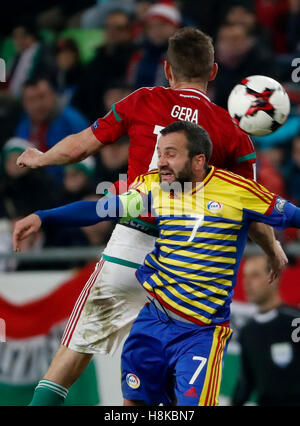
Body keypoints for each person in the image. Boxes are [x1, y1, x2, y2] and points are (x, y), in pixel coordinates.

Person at [15, 27, 287, 406]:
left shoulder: (142, 100)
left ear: (167, 69)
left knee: (75, 352)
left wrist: (42, 157)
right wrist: (272, 249)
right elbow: (253, 210)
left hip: (131, 239)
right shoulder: (232, 131)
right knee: (180, 380)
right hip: (189, 259)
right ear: (213, 72)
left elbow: (81, 146)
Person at [232, 254, 300, 406]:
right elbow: (246, 382)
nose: (247, 282)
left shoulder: (295, 322)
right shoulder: (248, 331)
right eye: (245, 275)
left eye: (255, 275)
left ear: (275, 278)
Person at [16, 77, 89, 182]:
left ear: (53, 95)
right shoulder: (23, 125)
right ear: (24, 103)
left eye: (42, 97)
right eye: (31, 100)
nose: (38, 105)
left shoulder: (73, 122)